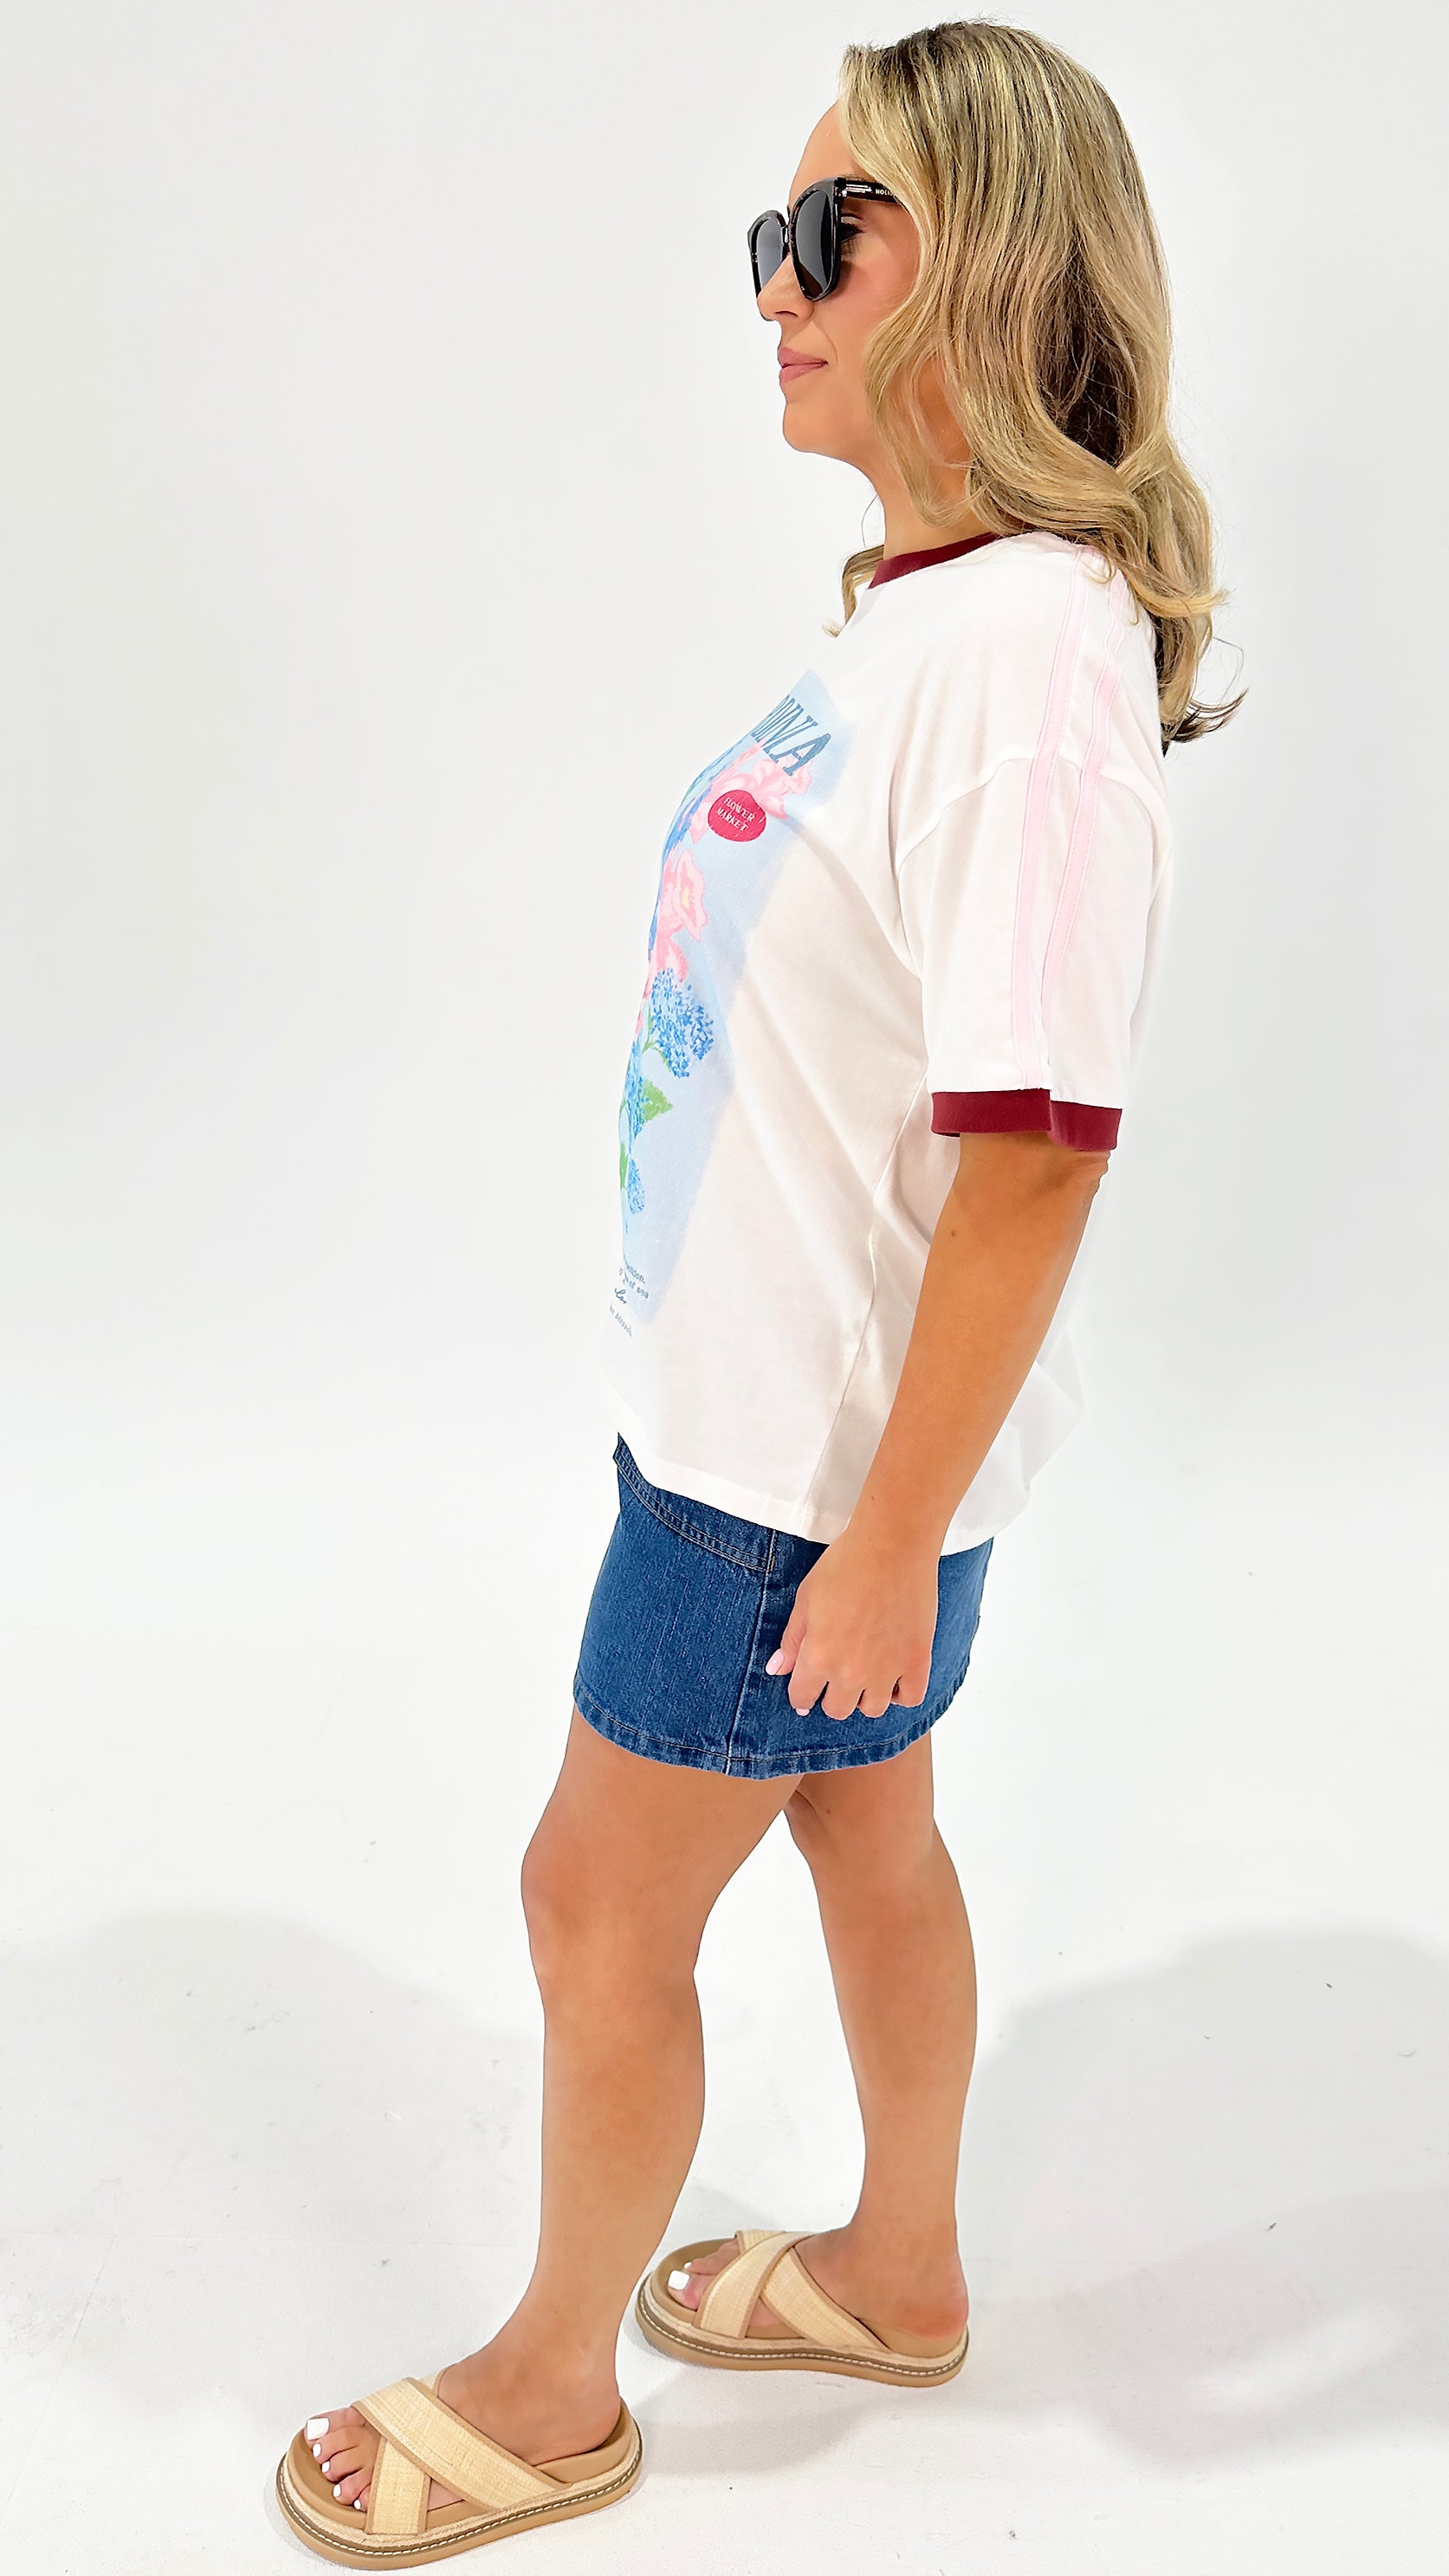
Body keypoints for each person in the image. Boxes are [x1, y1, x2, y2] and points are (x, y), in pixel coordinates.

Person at [275, 19, 1241, 2563]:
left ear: (992, 266)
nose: (776, 290)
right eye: (769, 238)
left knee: (594, 1904)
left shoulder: (1024, 675)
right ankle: (902, 2273)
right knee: (865, 1829)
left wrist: (883, 1534)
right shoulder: (945, 626)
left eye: (835, 235)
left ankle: (547, 2388)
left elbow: (1034, 1160)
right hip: (803, 1438)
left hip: (790, 1484)